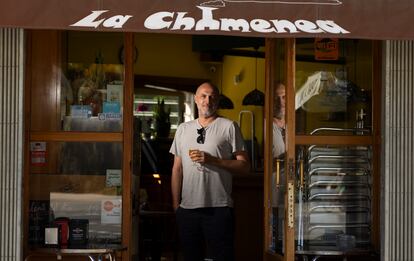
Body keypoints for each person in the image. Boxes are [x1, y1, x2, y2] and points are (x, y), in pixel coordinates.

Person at [169, 82, 250, 261]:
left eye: (212, 96)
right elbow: (177, 169)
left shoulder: (229, 126)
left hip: (219, 208)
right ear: (196, 99)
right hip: (187, 210)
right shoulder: (183, 129)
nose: (208, 100)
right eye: (204, 96)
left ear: (218, 100)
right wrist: (177, 206)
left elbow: (245, 166)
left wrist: (214, 160)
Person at [273, 83, 286, 159]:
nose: (281, 101)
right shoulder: (270, 122)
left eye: (284, 97)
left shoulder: (295, 114)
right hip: (277, 162)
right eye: (277, 98)